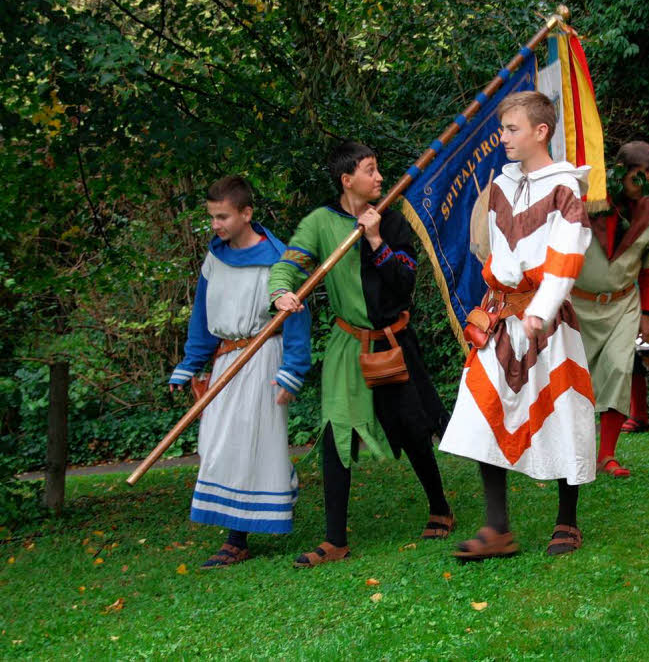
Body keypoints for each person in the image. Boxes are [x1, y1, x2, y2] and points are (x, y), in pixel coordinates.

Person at [269, 141, 453, 568]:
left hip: (394, 342)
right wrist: (281, 292)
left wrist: (373, 238)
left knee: (413, 430)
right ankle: (335, 540)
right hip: (348, 346)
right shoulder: (320, 222)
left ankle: (440, 506)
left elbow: (404, 282)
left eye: (379, 170)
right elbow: (289, 264)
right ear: (346, 179)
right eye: (370, 171)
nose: (380, 178)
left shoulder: (392, 221)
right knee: (337, 433)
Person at [439, 91, 595, 558]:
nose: (502, 137)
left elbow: (566, 258)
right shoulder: (502, 186)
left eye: (512, 129)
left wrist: (540, 312)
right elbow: (494, 252)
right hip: (499, 316)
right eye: (503, 128)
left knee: (563, 411)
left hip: (545, 322)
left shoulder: (566, 188)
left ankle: (567, 523)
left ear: (540, 131)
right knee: (482, 411)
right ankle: (497, 528)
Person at [168, 176, 311, 569]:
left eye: (222, 216)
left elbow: (297, 318)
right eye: (212, 217)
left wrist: (292, 371)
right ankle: (281, 481)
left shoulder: (279, 259)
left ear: (246, 213)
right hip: (224, 363)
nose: (215, 225)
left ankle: (236, 541)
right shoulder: (214, 259)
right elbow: (202, 316)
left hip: (263, 358)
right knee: (217, 446)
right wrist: (190, 364)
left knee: (249, 445)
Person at [573, 141, 649, 477]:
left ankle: (607, 456)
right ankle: (575, 453)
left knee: (617, 370)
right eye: (638, 177)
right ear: (620, 171)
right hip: (578, 304)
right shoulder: (585, 199)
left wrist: (648, 314)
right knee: (575, 379)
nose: (644, 186)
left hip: (623, 305)